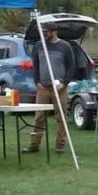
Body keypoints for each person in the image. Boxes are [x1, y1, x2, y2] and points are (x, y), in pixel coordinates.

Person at [24, 23, 74, 154]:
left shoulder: (65, 47)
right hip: (43, 87)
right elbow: (35, 64)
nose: (44, 35)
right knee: (39, 116)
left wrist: (64, 83)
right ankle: (34, 144)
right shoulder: (39, 45)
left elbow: (71, 67)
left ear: (54, 32)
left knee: (61, 117)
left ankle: (60, 145)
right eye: (43, 32)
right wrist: (37, 81)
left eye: (47, 32)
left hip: (60, 87)